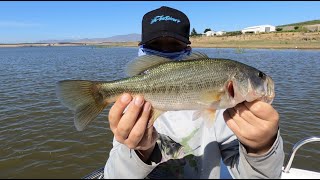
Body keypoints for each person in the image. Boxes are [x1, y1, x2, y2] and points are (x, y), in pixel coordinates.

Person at [104, 6, 284, 179]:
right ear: (141, 50)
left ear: (188, 50)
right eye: (155, 46)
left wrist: (261, 148)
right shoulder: (133, 110)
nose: (165, 53)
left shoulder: (228, 112)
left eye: (174, 46)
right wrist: (139, 151)